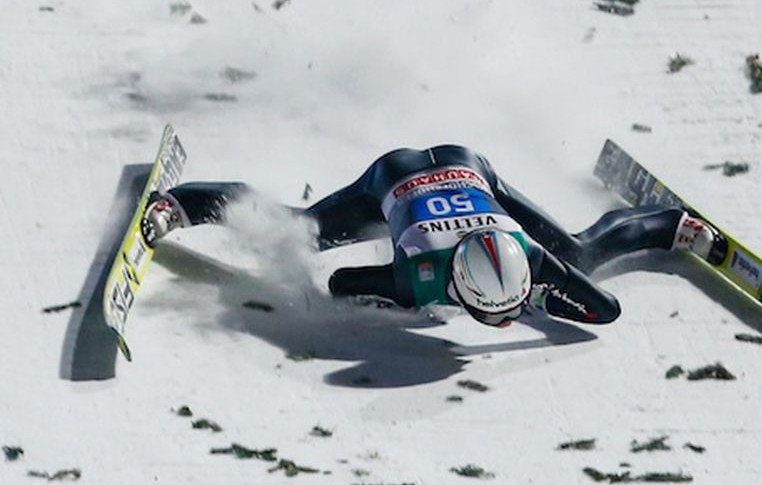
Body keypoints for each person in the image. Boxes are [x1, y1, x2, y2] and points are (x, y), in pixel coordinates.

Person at [142, 145, 726, 327]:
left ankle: (668, 223)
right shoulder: (422, 274)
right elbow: (343, 280)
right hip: (390, 178)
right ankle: (182, 206)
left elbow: (605, 310)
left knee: (577, 255)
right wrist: (400, 298)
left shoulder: (524, 254)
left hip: (472, 170)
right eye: (493, 314)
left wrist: (543, 290)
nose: (505, 320)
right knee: (299, 235)